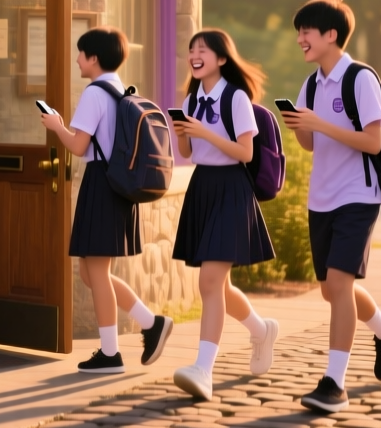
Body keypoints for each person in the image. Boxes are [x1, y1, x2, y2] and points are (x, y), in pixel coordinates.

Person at [279, 0, 381, 413]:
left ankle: (334, 383)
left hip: (358, 196)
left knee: (338, 285)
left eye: (307, 31)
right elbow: (312, 144)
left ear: (331, 35)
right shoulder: (313, 83)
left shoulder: (359, 79)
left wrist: (320, 122)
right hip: (322, 198)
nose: (300, 38)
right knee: (334, 290)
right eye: (299, 31)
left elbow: (374, 141)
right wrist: (301, 125)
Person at [40, 26, 174, 374]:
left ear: (94, 58)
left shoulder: (94, 94)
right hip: (117, 183)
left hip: (101, 181)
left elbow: (78, 146)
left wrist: (55, 125)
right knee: (90, 271)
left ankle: (111, 353)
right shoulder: (120, 89)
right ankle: (150, 322)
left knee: (95, 273)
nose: (77, 59)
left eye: (81, 53)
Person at [169, 28, 279, 401]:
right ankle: (261, 330)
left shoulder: (236, 99)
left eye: (203, 50)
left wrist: (204, 131)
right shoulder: (191, 98)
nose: (195, 55)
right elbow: (186, 152)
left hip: (231, 187)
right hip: (203, 187)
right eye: (191, 50)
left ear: (221, 58)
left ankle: (203, 369)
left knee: (210, 284)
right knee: (220, 285)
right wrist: (182, 130)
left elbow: (246, 153)